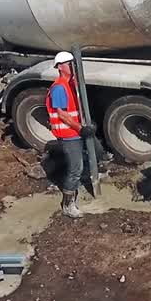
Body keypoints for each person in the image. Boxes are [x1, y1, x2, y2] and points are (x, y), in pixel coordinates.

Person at [46, 51, 94, 219]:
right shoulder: (59, 87)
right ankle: (68, 205)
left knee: (91, 157)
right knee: (76, 169)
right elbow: (62, 114)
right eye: (69, 64)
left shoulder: (70, 84)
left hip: (73, 132)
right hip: (68, 134)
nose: (73, 67)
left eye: (73, 64)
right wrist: (80, 128)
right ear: (60, 67)